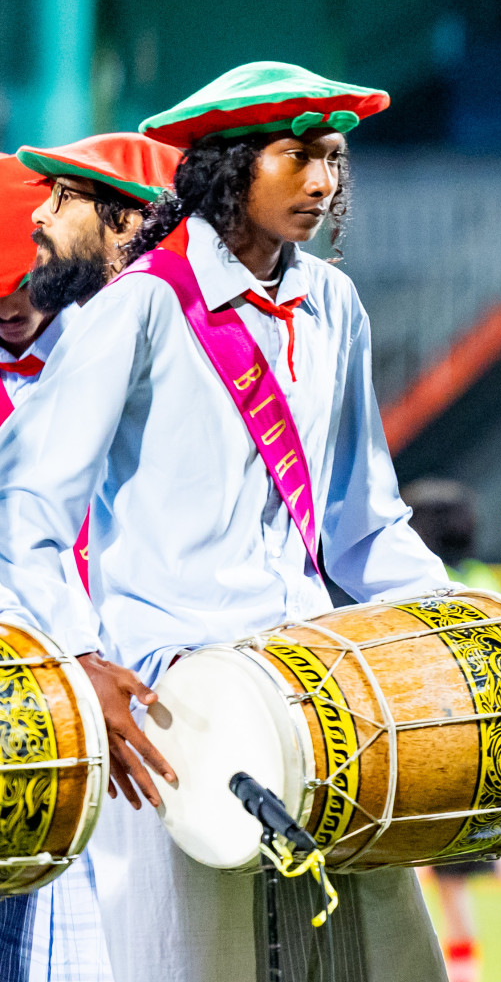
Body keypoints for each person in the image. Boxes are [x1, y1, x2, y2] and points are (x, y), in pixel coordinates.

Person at [0, 61, 450, 982]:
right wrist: (87, 663)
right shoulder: (140, 308)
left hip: (321, 695)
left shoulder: (336, 306)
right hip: (173, 707)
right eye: (297, 156)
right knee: (191, 963)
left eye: (333, 157)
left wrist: (446, 617)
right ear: (228, 165)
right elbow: (34, 512)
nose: (324, 181)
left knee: (372, 957)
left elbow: (363, 525)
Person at [0, 134, 178, 982]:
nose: (9, 305)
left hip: (123, 670)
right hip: (37, 675)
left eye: (21, 282)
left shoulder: (107, 339)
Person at [399, 478, 498, 982]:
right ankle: (465, 973)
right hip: (478, 757)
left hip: (424, 749)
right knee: (452, 885)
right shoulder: (485, 584)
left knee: (405, 872)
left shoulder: (408, 589)